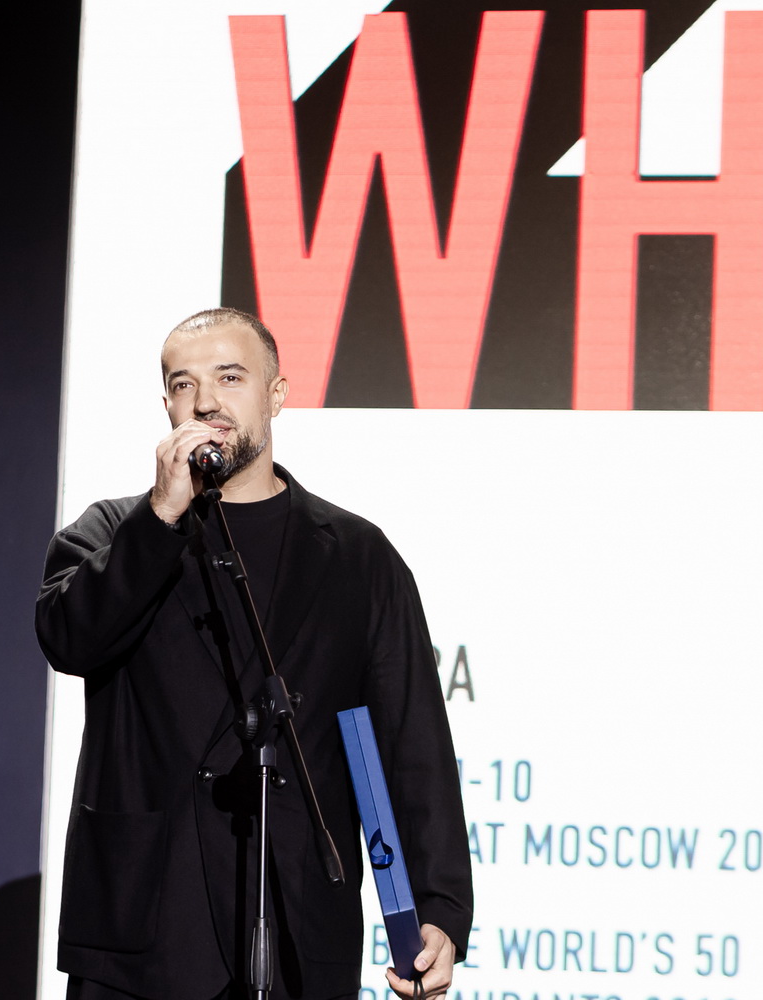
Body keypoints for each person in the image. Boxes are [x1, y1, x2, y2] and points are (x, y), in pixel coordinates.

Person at [36, 308, 471, 1000]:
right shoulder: (115, 533)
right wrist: (160, 519)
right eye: (183, 385)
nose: (205, 401)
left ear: (276, 394)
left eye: (230, 378)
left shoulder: (358, 557)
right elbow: (69, 639)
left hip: (297, 917)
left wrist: (438, 905)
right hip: (145, 929)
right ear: (166, 405)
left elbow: (408, 742)